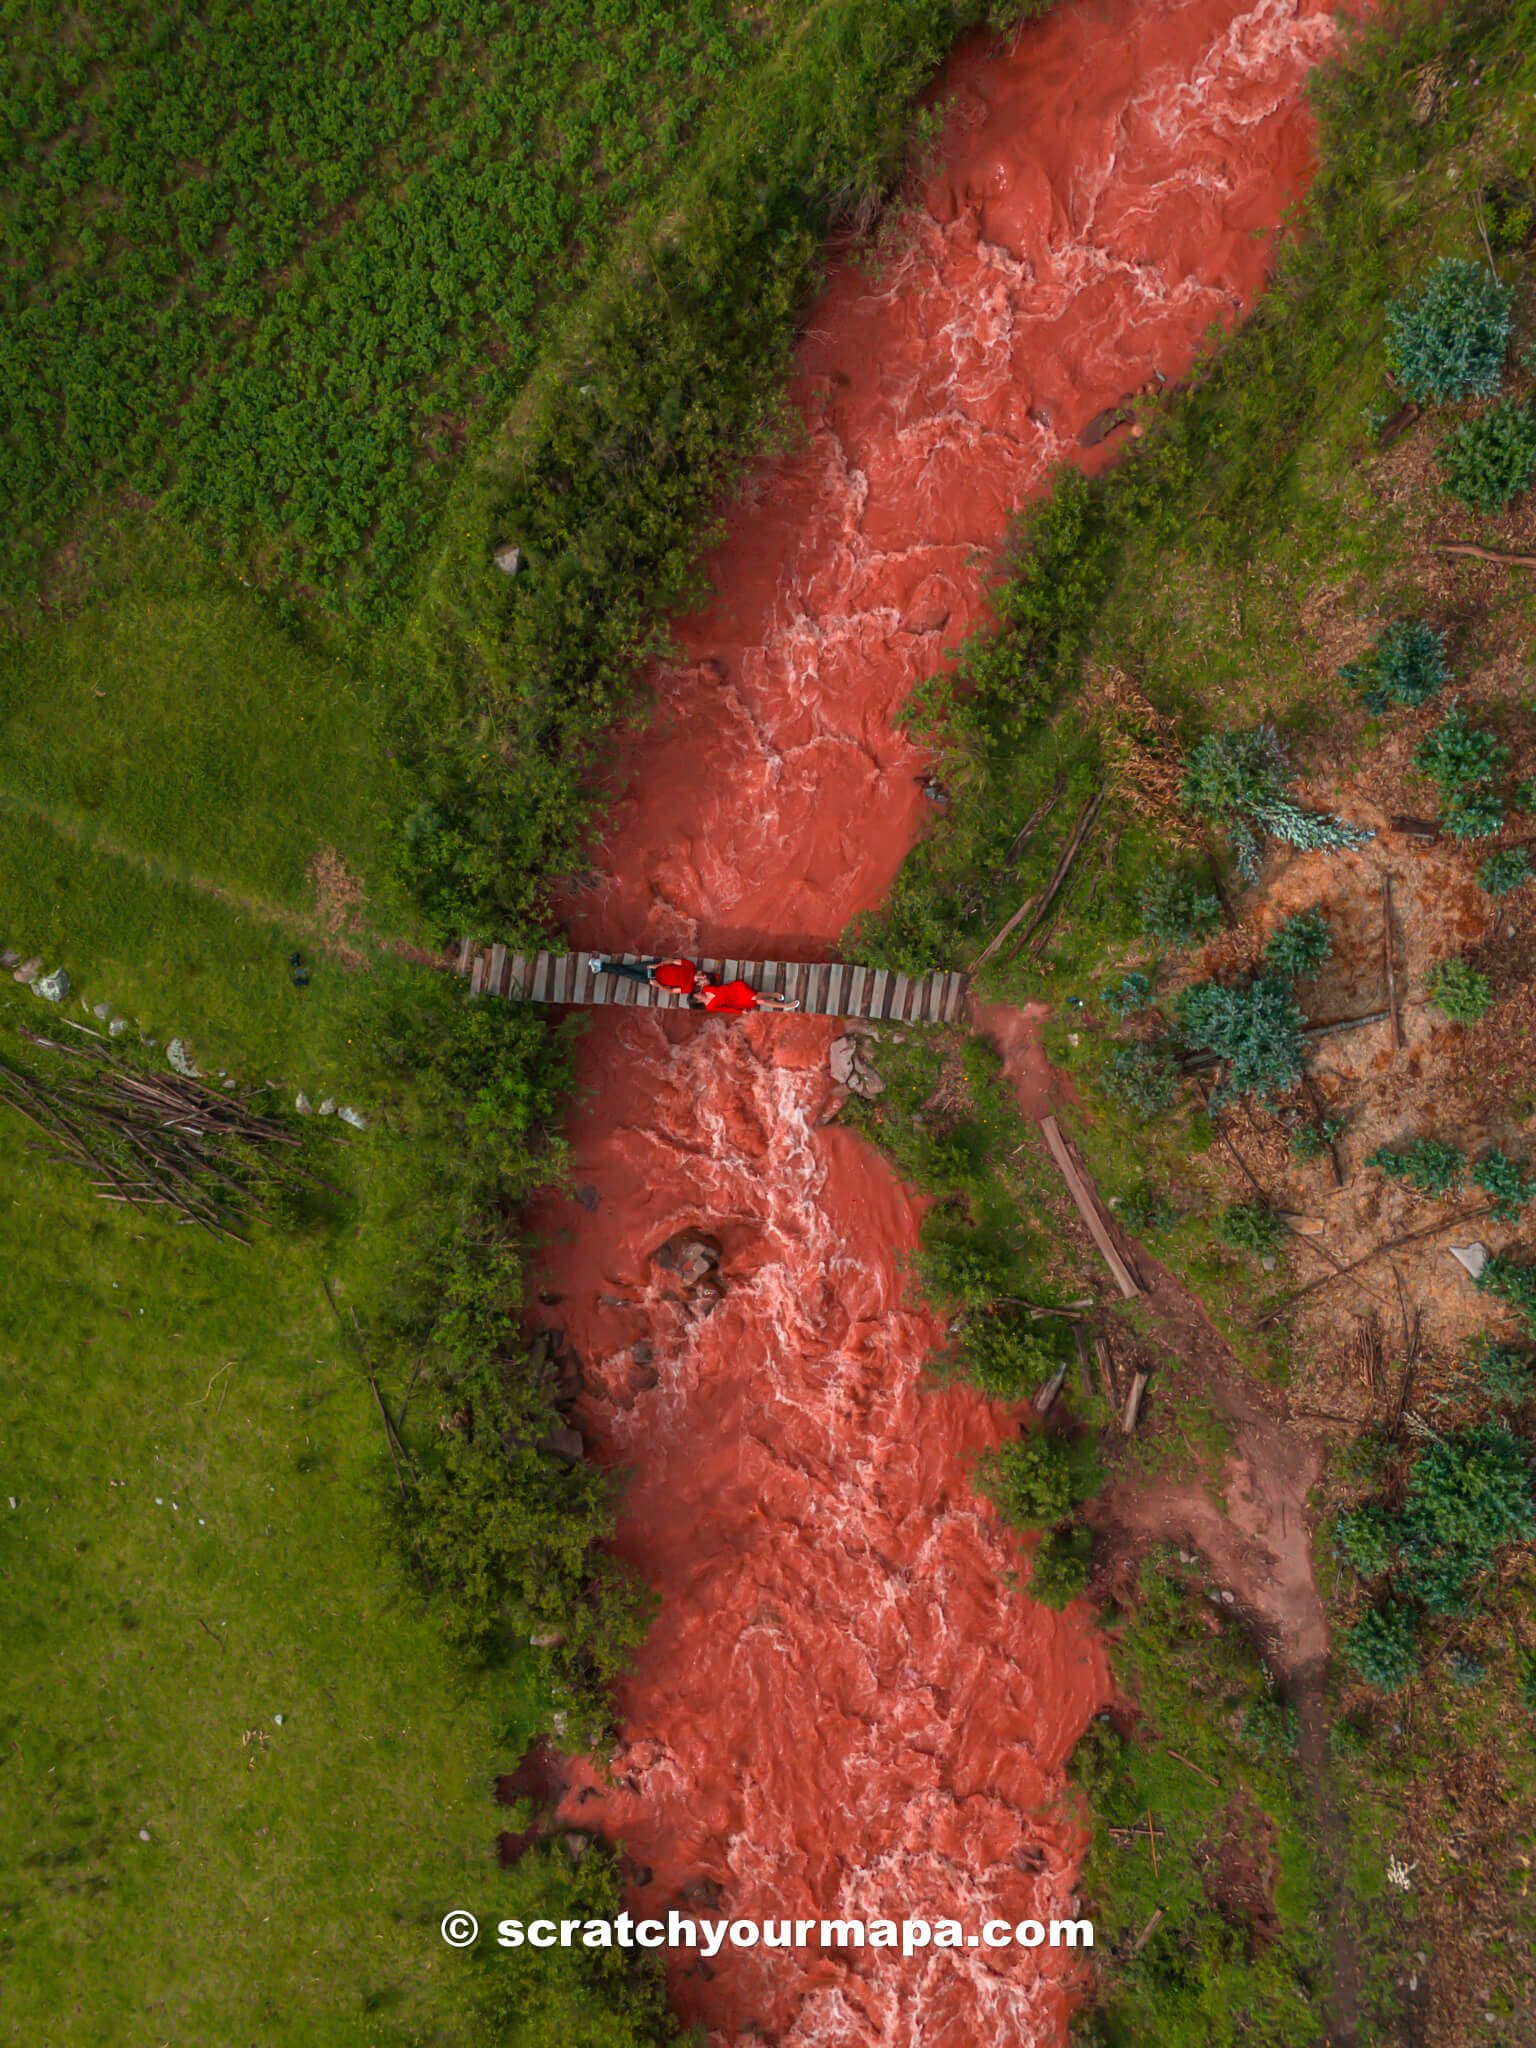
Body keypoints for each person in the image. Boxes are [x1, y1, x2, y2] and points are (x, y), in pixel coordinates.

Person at [589, 954, 703, 997]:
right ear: (700, 972)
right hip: (653, 968)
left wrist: (658, 985)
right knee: (627, 969)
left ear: (700, 983)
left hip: (653, 981)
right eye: (702, 975)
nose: (700, 977)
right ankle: (600, 966)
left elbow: (672, 991)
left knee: (627, 973)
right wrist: (657, 965)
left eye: (702, 979)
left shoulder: (689, 988)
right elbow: (673, 961)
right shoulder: (690, 966)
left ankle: (600, 967)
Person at [690, 976, 798, 1014]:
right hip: (738, 1001)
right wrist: (741, 1011)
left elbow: (716, 977)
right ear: (698, 1001)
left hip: (737, 988)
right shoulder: (710, 1007)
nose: (699, 993)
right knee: (759, 999)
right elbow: (726, 1009)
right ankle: (785, 1005)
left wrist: (704, 980)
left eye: (697, 992)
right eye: (697, 995)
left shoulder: (706, 988)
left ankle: (774, 995)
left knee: (756, 997)